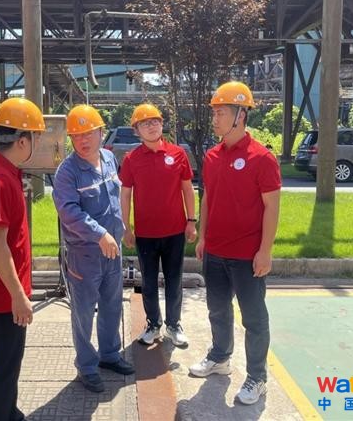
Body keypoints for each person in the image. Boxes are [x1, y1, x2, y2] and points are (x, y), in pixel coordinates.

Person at [189, 82, 281, 406]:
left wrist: (265, 251)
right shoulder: (212, 156)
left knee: (254, 319)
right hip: (215, 252)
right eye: (214, 113)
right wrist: (203, 236)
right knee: (217, 309)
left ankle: (257, 377)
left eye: (221, 113)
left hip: (247, 256)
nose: (214, 119)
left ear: (241, 115)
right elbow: (208, 198)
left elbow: (272, 207)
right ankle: (220, 357)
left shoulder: (262, 158)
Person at [0, 97, 46, 421]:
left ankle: (9, 414)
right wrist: (18, 295)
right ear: (22, 141)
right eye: (36, 137)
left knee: (8, 366)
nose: (37, 144)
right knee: (1, 370)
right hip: (2, 297)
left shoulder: (5, 172)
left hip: (4, 293)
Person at [52, 104, 135, 393]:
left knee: (112, 305)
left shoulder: (109, 159)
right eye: (76, 136)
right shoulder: (67, 172)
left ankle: (110, 355)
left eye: (88, 133)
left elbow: (116, 199)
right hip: (84, 254)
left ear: (101, 132)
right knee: (84, 313)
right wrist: (100, 234)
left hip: (112, 250)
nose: (82, 140)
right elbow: (69, 211)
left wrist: (123, 229)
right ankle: (87, 367)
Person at [119, 103, 197, 348]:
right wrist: (126, 227)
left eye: (155, 121)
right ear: (136, 131)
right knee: (149, 282)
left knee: (174, 280)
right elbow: (125, 195)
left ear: (162, 124)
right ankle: (153, 324)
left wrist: (191, 221)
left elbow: (187, 189)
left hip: (175, 231)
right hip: (145, 234)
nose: (151, 126)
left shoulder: (178, 154)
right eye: (144, 123)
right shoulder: (131, 159)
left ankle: (174, 325)